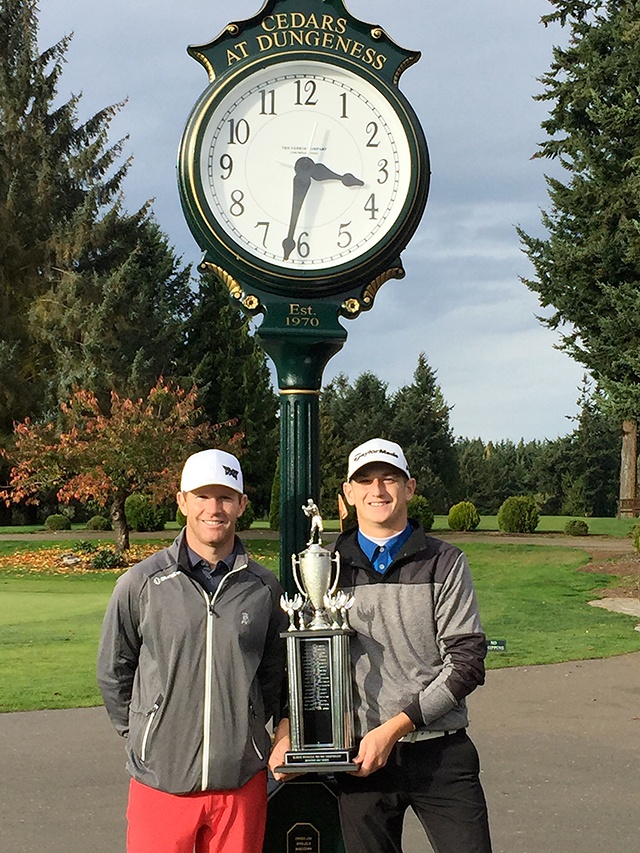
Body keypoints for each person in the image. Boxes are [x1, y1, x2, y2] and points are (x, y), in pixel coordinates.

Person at [97, 449, 287, 853]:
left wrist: (250, 731)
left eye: (224, 497)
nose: (213, 508)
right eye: (202, 496)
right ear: (182, 501)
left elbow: (275, 676)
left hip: (239, 782)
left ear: (241, 505)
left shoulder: (263, 588)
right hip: (161, 783)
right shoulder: (141, 583)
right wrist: (146, 737)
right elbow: (115, 671)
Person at [331, 438, 491, 852]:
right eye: (364, 480)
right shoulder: (325, 564)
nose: (377, 490)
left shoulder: (445, 560)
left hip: (440, 750)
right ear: (349, 493)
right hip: (360, 756)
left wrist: (395, 727)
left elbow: (467, 662)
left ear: (410, 487)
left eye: (389, 479)